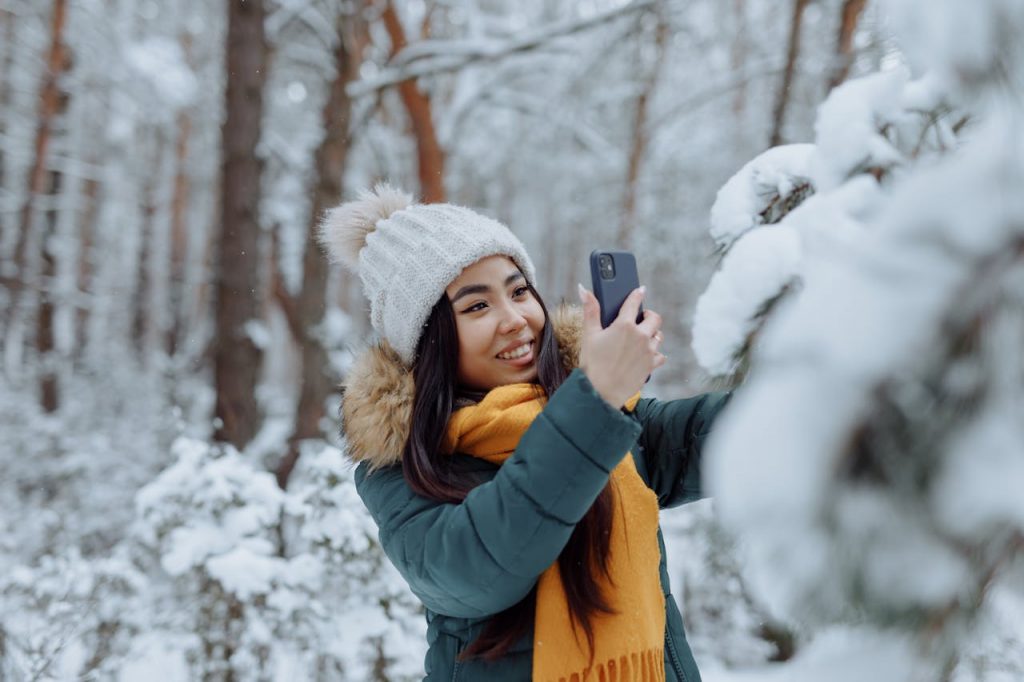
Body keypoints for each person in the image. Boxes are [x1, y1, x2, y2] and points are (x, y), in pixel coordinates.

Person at [318, 184, 730, 682]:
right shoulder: (404, 472)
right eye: (476, 307)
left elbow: (730, 433)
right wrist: (595, 399)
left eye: (518, 292)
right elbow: (483, 566)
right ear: (428, 342)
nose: (515, 321)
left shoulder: (608, 424)